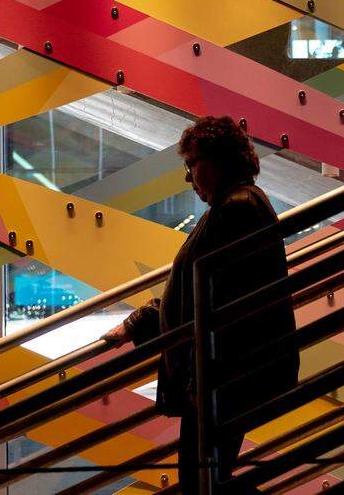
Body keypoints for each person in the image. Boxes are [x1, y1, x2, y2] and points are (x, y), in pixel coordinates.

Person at [103, 116, 299, 494]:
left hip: (219, 377)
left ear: (220, 160)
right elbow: (200, 291)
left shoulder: (238, 208)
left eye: (193, 164)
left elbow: (224, 302)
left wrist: (199, 378)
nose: (188, 177)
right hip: (216, 376)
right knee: (205, 479)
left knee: (202, 482)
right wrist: (139, 322)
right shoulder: (235, 205)